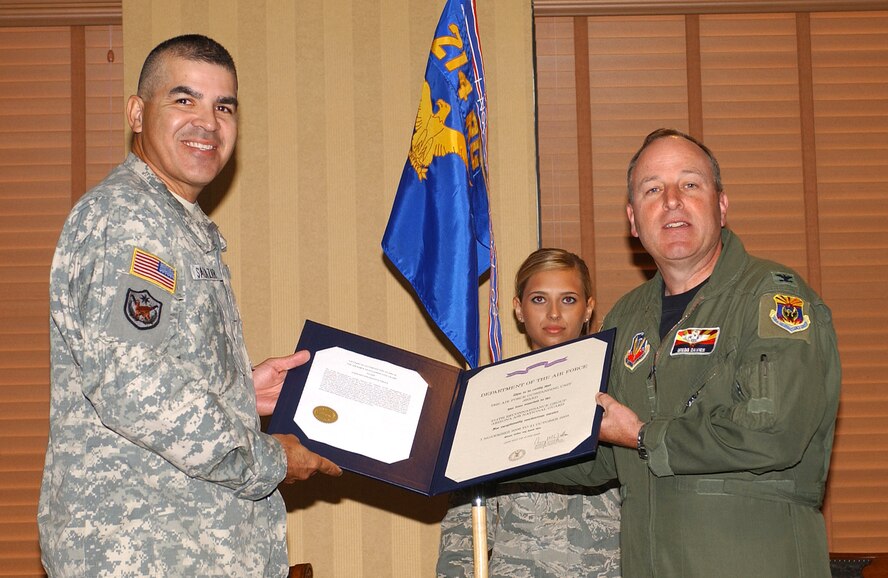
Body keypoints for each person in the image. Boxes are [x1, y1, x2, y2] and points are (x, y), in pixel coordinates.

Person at [38, 34, 341, 578]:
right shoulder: (130, 220)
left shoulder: (175, 225)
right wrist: (271, 460)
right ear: (136, 112)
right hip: (146, 552)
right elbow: (132, 386)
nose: (208, 122)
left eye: (223, 106)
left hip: (185, 546)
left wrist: (240, 390)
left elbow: (144, 366)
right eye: (184, 100)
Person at [526, 128, 841, 577]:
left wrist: (642, 436)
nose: (671, 199)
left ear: (721, 206)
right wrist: (490, 453)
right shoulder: (625, 318)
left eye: (690, 184)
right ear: (634, 221)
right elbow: (601, 455)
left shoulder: (770, 300)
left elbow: (771, 431)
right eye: (652, 189)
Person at [436, 248, 621, 578]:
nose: (553, 314)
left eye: (568, 300)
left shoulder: (618, 395)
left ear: (588, 308)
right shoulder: (489, 401)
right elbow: (464, 532)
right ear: (518, 309)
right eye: (538, 300)